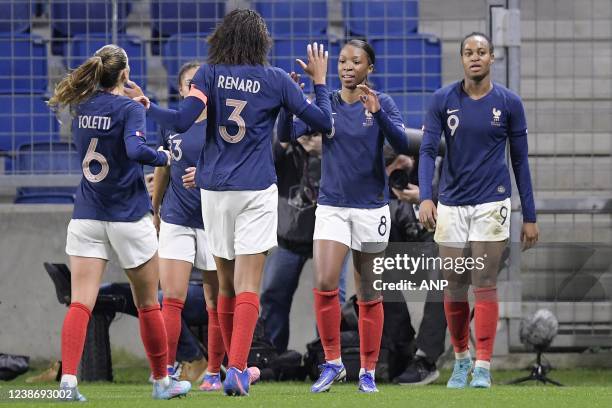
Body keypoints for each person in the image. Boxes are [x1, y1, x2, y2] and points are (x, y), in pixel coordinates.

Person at [137, 9, 333, 396]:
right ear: (261, 43)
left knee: (225, 285)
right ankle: (239, 369)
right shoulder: (276, 79)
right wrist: (320, 82)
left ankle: (228, 367)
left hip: (214, 193)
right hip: (255, 190)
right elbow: (323, 122)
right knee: (248, 287)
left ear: (222, 39)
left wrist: (146, 106)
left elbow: (179, 122)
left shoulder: (207, 74)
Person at [47, 44, 191, 401]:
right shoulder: (129, 109)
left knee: (81, 302)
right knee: (148, 304)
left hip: (87, 215)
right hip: (128, 216)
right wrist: (164, 154)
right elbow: (135, 150)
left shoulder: (81, 107)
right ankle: (161, 382)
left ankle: (68, 382)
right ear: (124, 75)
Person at [278, 39, 416, 393]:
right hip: (333, 207)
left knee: (368, 291)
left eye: (356, 61)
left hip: (371, 208)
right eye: (342, 61)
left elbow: (402, 145)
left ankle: (368, 371)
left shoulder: (381, 102)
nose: (347, 67)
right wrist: (288, 103)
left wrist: (380, 114)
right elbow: (284, 134)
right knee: (324, 281)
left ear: (370, 68)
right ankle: (334, 362)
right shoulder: (328, 104)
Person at [419, 32, 539, 389]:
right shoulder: (442, 99)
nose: (475, 57)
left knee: (484, 282)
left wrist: (529, 215)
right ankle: (461, 360)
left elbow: (520, 161)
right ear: (462, 59)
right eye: (469, 52)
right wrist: (427, 197)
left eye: (481, 52)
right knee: (454, 285)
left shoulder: (510, 103)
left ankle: (483, 366)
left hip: (492, 201)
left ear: (491, 59)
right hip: (452, 203)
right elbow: (427, 151)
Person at [260, 125, 350, 354]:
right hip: (287, 235)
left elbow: (356, 170)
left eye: (315, 130)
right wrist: (284, 140)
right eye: (304, 128)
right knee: (273, 294)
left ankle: (328, 357)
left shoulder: (336, 140)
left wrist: (326, 150)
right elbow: (260, 164)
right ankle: (271, 357)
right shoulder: (283, 141)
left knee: (331, 296)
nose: (309, 136)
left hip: (330, 234)